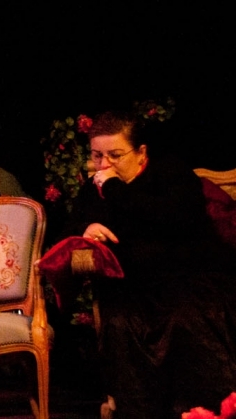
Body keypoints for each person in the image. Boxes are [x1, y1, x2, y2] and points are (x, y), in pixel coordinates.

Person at [72, 110, 236, 419]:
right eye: (97, 156)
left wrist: (115, 189)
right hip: (130, 285)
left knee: (188, 318)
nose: (104, 165)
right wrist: (86, 229)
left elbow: (172, 221)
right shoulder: (92, 190)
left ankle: (205, 411)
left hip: (188, 277)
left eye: (115, 155)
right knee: (122, 324)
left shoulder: (171, 174)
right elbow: (70, 228)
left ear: (141, 152)